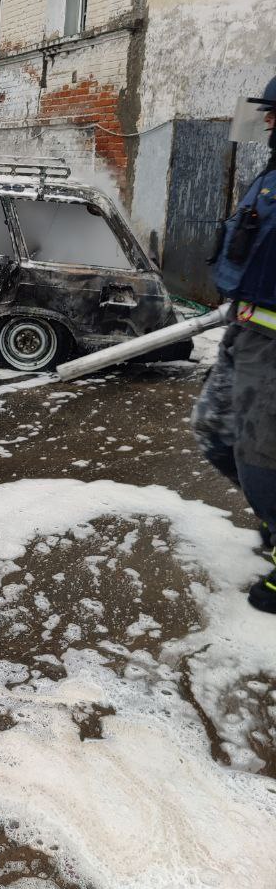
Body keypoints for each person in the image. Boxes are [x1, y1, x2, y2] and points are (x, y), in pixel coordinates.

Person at [192, 74, 276, 613]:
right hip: (243, 330)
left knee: (261, 457)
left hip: (272, 347)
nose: (267, 120)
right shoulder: (269, 175)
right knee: (214, 432)